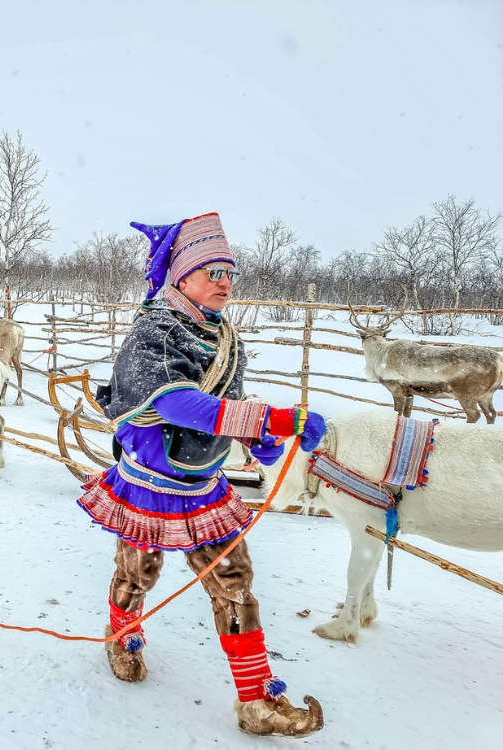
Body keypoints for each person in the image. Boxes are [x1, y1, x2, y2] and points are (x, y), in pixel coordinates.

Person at [77, 213, 327, 738]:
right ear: (182, 277)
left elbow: (222, 404)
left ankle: (257, 700)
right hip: (149, 486)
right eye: (212, 272)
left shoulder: (222, 336)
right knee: (136, 575)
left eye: (229, 273)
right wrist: (269, 417)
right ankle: (122, 636)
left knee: (235, 584)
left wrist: (258, 437)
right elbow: (178, 404)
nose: (225, 283)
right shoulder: (155, 333)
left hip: (204, 485)